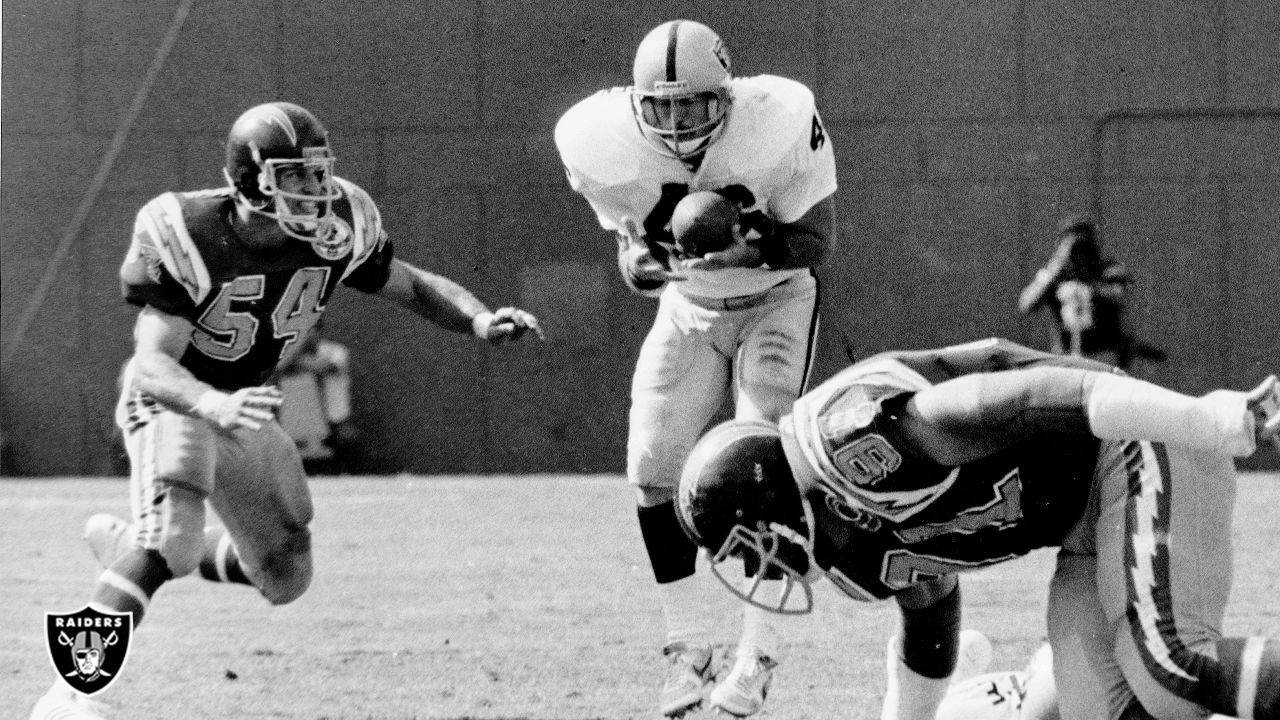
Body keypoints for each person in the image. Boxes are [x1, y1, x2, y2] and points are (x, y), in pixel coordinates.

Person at [29, 101, 543, 720]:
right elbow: (150, 365)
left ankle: (136, 555)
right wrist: (213, 403)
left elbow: (408, 284)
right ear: (251, 179)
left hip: (242, 407)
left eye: (319, 172)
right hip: (180, 399)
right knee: (169, 539)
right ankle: (69, 696)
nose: (317, 189)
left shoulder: (338, 227)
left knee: (285, 573)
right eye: (296, 175)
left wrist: (480, 319)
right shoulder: (189, 231)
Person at [676, 337, 1279, 720]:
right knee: (1130, 711)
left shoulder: (864, 440)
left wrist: (1206, 418)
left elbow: (1034, 396)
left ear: (773, 500)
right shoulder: (841, 539)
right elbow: (930, 610)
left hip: (1133, 444)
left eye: (747, 547)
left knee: (1169, 668)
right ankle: (1029, 690)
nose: (757, 568)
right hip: (1082, 533)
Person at [553, 18, 838, 718]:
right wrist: (642, 267)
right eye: (664, 106)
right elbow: (631, 258)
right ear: (637, 105)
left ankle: (758, 656)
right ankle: (688, 647)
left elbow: (816, 243)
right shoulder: (600, 144)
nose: (678, 122)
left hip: (775, 301)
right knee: (650, 467)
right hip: (688, 311)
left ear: (728, 99)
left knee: (759, 471)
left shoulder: (779, 120)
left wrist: (751, 251)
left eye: (694, 105)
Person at [1018, 217, 1164, 370]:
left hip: (1105, 355)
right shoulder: (1055, 275)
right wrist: (1057, 267)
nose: (1079, 253)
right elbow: (1027, 304)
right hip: (1067, 358)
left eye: (1084, 244)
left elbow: (1119, 296)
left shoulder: (1108, 270)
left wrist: (1089, 283)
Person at [272, 320, 360, 473]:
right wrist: (294, 354)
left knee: (347, 440)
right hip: (302, 419)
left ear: (319, 331)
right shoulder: (290, 354)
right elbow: (278, 368)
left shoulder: (335, 351)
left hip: (336, 416)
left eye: (311, 331)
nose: (308, 336)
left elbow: (324, 367)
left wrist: (296, 360)